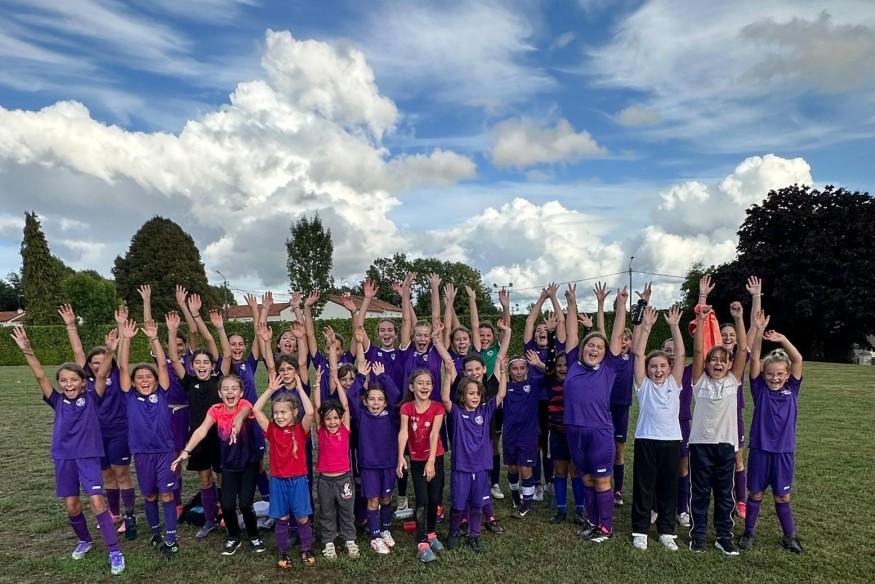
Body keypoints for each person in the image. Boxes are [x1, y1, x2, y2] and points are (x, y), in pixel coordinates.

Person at [11, 326, 126, 575]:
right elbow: (41, 376)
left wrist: (109, 351)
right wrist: (28, 351)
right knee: (72, 506)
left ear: (84, 381)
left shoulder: (93, 397)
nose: (68, 384)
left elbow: (103, 373)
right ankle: (84, 540)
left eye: (73, 379)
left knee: (96, 501)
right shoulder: (57, 400)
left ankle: (115, 551)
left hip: (88, 458)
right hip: (64, 459)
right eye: (63, 380)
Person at [59, 304, 136, 538]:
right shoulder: (83, 381)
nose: (97, 365)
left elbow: (122, 356)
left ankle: (130, 517)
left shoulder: (116, 374)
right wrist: (70, 325)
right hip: (94, 437)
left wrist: (122, 329)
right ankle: (114, 514)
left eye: (102, 361)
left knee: (121, 474)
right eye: (94, 362)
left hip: (119, 432)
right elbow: (78, 351)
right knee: (107, 476)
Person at [108, 318, 179, 559]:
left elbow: (162, 365)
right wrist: (126, 338)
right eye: (140, 378)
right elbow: (124, 368)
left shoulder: (162, 392)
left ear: (156, 380)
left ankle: (171, 538)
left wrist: (153, 338)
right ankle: (155, 532)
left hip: (165, 451)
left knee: (167, 495)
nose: (145, 380)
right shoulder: (129, 396)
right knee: (150, 495)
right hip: (142, 453)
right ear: (134, 383)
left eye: (149, 377)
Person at [563, 284, 629, 544]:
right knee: (586, 478)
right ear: (583, 347)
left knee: (602, 480)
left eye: (599, 347)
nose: (594, 349)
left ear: (606, 353)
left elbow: (615, 335)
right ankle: (593, 521)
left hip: (599, 431)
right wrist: (571, 303)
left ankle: (606, 527)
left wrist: (621, 305)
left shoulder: (609, 367)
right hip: (573, 429)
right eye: (590, 345)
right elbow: (571, 331)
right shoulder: (572, 363)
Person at [172, 373, 262, 555]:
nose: (230, 392)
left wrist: (237, 422)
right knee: (227, 505)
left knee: (245, 504)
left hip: (249, 464)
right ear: (220, 393)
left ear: (241, 392)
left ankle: (254, 536)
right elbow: (202, 430)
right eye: (226, 389)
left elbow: (243, 413)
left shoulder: (245, 405)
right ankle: (233, 537)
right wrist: (186, 451)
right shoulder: (216, 410)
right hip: (228, 465)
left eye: (234, 389)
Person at [165, 297, 232, 541]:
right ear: (192, 366)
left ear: (212, 366)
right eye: (198, 363)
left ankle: (226, 513)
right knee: (204, 480)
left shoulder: (219, 381)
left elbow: (225, 353)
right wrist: (172, 331)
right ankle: (209, 520)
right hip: (199, 438)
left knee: (221, 477)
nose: (202, 366)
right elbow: (173, 358)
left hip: (220, 436)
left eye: (206, 362)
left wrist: (219, 328)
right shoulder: (189, 382)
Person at [738, 311, 804, 554]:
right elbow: (755, 358)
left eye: (779, 374)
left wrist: (782, 339)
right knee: (755, 493)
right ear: (763, 375)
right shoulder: (760, 390)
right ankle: (749, 532)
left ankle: (789, 536)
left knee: (782, 497)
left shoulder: (792, 389)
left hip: (784, 452)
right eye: (770, 374)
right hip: (760, 450)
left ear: (787, 375)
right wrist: (758, 333)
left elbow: (797, 359)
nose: (774, 378)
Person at [687, 295, 748, 555]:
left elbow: (743, 350)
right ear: (708, 365)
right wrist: (701, 320)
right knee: (700, 493)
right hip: (701, 445)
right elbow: (699, 351)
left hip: (726, 447)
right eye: (714, 360)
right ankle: (698, 535)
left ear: (730, 365)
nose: (719, 363)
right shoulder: (699, 383)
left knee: (725, 495)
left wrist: (738, 318)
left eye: (723, 360)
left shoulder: (733, 382)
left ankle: (724, 536)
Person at [440, 350, 508, 553]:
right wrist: (449, 375)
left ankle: (475, 535)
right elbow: (445, 399)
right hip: (461, 467)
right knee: (459, 505)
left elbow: (501, 394)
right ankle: (453, 532)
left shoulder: (485, 411)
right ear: (462, 395)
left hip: (481, 467)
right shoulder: (457, 413)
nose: (475, 397)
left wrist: (503, 372)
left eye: (477, 394)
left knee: (477, 504)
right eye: (471, 393)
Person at [629, 305, 685, 551]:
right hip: (646, 440)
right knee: (644, 487)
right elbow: (639, 355)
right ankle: (640, 530)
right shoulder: (643, 385)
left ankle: (666, 531)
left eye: (662, 366)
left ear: (669, 368)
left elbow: (681, 354)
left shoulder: (675, 381)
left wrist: (674, 326)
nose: (658, 370)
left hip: (671, 441)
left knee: (668, 488)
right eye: (654, 366)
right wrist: (647, 328)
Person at [250, 371, 317, 568]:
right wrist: (270, 389)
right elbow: (256, 410)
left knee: (302, 517)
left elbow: (311, 412)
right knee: (282, 518)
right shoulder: (272, 430)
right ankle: (283, 552)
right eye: (276, 412)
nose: (279, 416)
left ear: (294, 412)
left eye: (283, 412)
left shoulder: (300, 430)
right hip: (278, 481)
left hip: (298, 480)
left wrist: (298, 388)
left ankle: (306, 548)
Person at [346, 343, 402, 555]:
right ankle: (375, 536)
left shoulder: (392, 415)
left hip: (388, 464)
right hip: (369, 465)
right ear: (366, 401)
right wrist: (361, 377)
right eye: (371, 399)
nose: (375, 403)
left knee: (386, 498)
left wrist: (384, 377)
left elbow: (398, 398)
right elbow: (352, 395)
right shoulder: (362, 415)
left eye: (379, 399)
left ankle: (386, 530)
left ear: (385, 402)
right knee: (373, 500)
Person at [523, 284, 566, 503]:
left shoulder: (556, 352)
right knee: (535, 443)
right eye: (539, 331)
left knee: (548, 443)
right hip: (533, 403)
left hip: (552, 402)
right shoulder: (529, 349)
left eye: (544, 330)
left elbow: (561, 323)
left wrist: (554, 298)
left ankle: (550, 480)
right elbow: (530, 321)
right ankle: (537, 484)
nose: (541, 331)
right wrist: (542, 297)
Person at [397, 369, 445, 563]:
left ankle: (432, 533)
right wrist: (401, 457)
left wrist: (431, 460)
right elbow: (403, 433)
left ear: (432, 387)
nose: (424, 386)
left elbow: (435, 434)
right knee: (422, 500)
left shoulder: (438, 408)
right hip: (416, 462)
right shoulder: (407, 408)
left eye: (428, 383)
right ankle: (422, 542)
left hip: (435, 458)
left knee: (434, 500)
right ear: (412, 387)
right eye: (420, 383)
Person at [313, 366, 359, 560]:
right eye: (328, 419)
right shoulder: (322, 431)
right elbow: (317, 407)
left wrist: (338, 383)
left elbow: (346, 406)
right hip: (325, 481)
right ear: (323, 421)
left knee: (347, 512)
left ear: (341, 419)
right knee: (327, 512)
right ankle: (329, 542)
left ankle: (350, 540)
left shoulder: (344, 429)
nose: (332, 422)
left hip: (344, 479)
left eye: (335, 418)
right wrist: (316, 384)